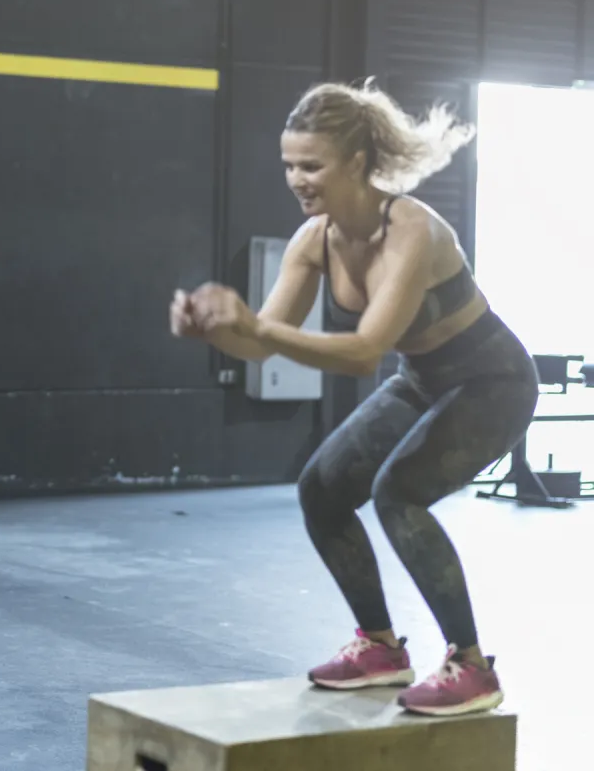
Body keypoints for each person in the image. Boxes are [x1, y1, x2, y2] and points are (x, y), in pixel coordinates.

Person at [171, 79, 537, 717]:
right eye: (289, 165)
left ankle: (473, 667)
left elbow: (365, 352)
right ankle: (381, 647)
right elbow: (258, 347)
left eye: (312, 166)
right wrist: (215, 330)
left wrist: (255, 328)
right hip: (423, 379)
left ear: (358, 163)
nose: (297, 179)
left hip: (494, 382)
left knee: (399, 492)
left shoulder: (412, 231)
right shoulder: (313, 240)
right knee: (321, 488)